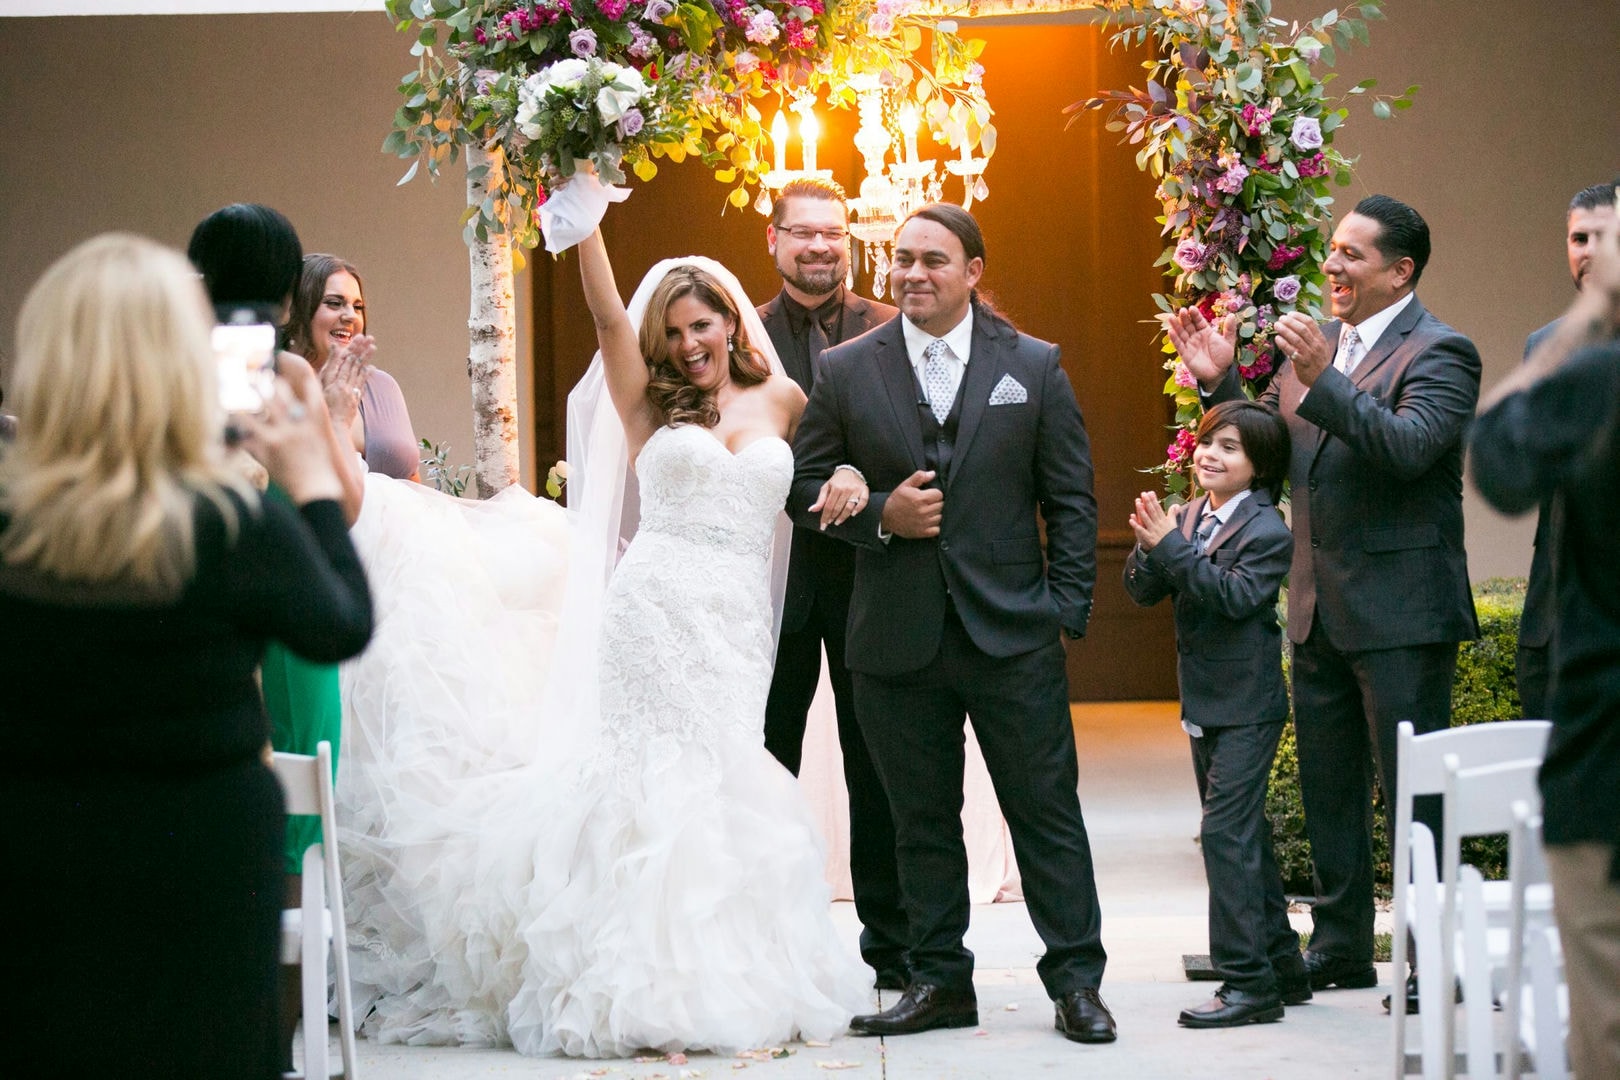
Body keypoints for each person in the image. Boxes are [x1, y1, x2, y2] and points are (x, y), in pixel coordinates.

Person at [1, 233, 373, 1079]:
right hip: (202, 855)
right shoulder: (227, 525)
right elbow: (340, 621)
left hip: (34, 846)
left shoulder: (12, 525)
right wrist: (309, 477)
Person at [790, 203, 1116, 1044]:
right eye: (901, 260)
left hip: (1012, 633)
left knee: (1045, 810)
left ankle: (1076, 981)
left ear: (973, 271)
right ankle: (940, 980)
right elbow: (801, 487)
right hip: (895, 637)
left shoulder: (1034, 367)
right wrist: (879, 519)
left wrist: (1064, 609)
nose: (912, 274)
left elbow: (1071, 498)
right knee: (917, 820)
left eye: (933, 260)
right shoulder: (848, 369)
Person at [1171, 193, 1481, 1012]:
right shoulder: (1324, 350)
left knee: (1416, 796)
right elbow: (1273, 457)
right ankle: (1340, 946)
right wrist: (1224, 384)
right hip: (1316, 606)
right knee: (1328, 789)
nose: (1332, 267)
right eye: (1332, 251)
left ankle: (1435, 962)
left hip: (1403, 613)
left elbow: (1410, 450)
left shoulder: (1443, 351)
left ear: (1399, 271)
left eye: (1351, 255)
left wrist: (1324, 380)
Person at [187, 202, 369, 1062]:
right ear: (288, 287)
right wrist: (327, 416)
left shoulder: (162, 366)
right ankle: (282, 1032)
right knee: (299, 814)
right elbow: (349, 507)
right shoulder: (287, 376)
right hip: (289, 610)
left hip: (192, 614)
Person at [1470, 186, 1620, 1080]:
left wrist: (1590, 316)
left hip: (1606, 749)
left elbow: (1495, 455)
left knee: (1604, 1027)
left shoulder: (1594, 377)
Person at [755, 178, 908, 988]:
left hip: (870, 574)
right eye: (804, 233)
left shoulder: (892, 327)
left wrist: (866, 483)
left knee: (875, 760)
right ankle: (771, 936)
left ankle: (893, 946)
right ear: (773, 239)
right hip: (773, 580)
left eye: (834, 234)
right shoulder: (739, 333)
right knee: (767, 757)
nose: (820, 247)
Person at [1123, 400, 1308, 1027]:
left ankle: (1247, 984)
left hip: (1249, 706)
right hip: (1204, 699)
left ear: (1257, 468)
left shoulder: (1267, 530)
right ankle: (1283, 964)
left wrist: (1171, 547)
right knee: (1244, 835)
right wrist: (1153, 545)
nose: (1210, 454)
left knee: (1225, 836)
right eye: (1206, 442)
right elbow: (1143, 590)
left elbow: (1234, 598)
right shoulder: (1191, 513)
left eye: (1229, 447)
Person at [1514, 182, 1617, 720]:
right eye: (1579, 237)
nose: (1589, 252)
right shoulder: (1547, 344)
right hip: (1554, 623)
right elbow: (1506, 472)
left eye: (1605, 236)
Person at [288, 253, 420, 481]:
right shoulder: (277, 386)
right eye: (334, 303)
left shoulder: (382, 386)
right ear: (299, 309)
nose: (350, 316)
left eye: (358, 307)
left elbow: (412, 479)